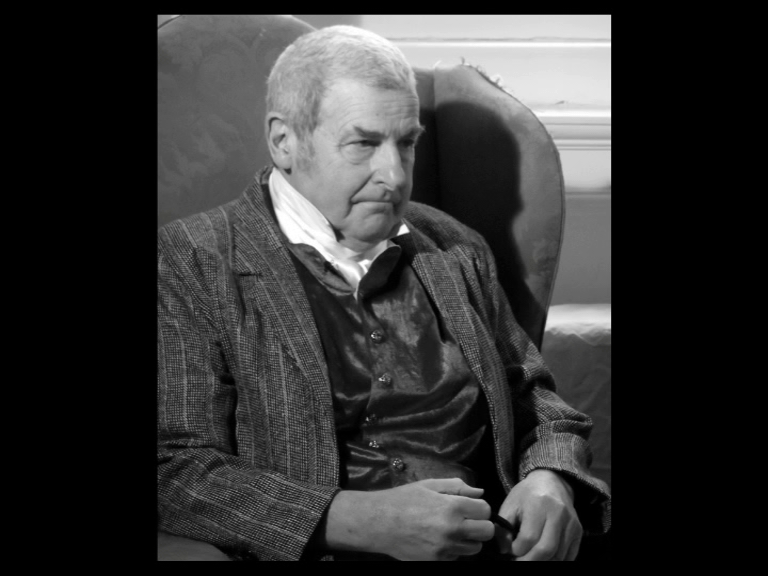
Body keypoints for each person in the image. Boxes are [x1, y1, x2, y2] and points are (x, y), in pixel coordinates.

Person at [157, 25, 610, 561]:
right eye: (364, 143)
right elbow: (175, 466)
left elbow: (539, 404)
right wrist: (346, 520)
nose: (394, 175)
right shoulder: (191, 260)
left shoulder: (455, 245)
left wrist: (550, 477)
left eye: (407, 144)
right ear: (284, 142)